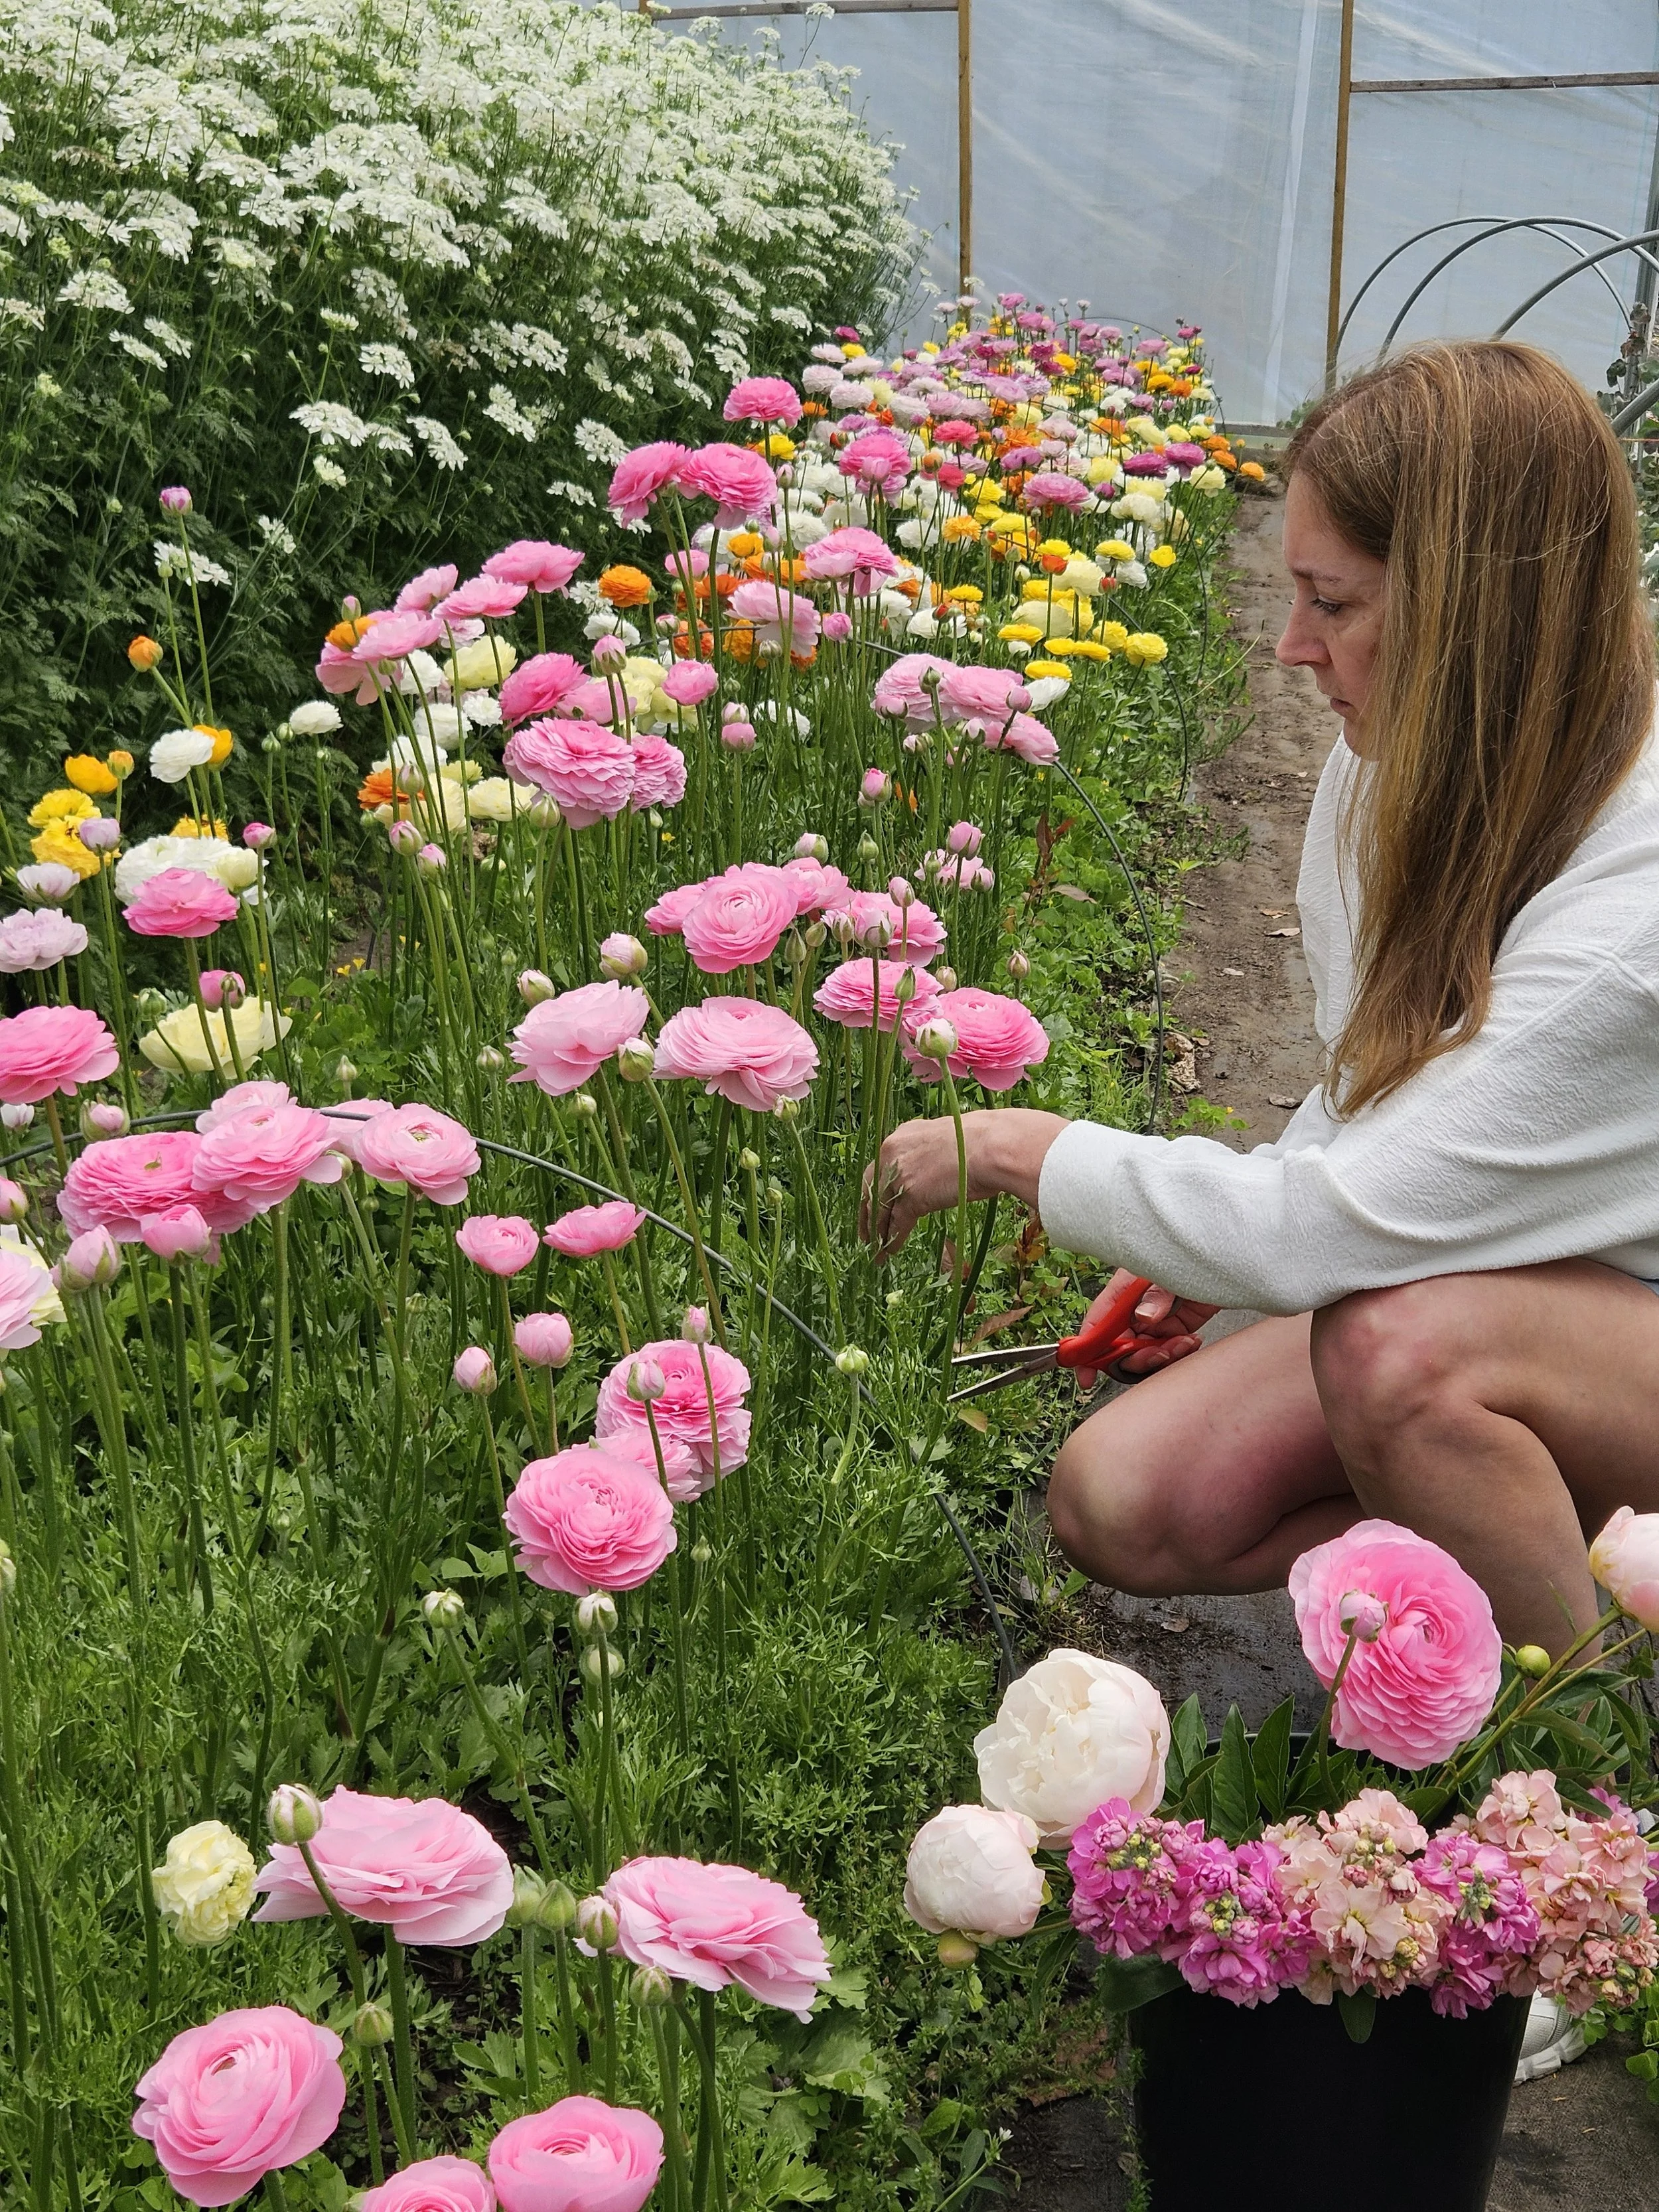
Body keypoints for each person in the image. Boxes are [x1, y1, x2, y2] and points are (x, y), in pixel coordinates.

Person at [863, 341, 1659, 1666]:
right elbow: (1382, 1101)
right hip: (1529, 1289)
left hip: (1614, 1311)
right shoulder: (1394, 762)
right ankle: (1537, 1549)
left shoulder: (1629, 917)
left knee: (1394, 1353)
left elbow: (1332, 1228)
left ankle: (1581, 1764)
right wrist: (1210, 1241)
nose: (1291, 646)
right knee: (1124, 1498)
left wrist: (1019, 1147)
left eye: (1330, 602)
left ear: (1472, 615)